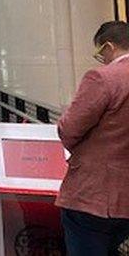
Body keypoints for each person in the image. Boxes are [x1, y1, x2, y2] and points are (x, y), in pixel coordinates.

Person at [57, 21, 129, 255]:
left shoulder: (103, 78)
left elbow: (70, 128)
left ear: (108, 46)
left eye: (100, 54)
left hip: (95, 196)